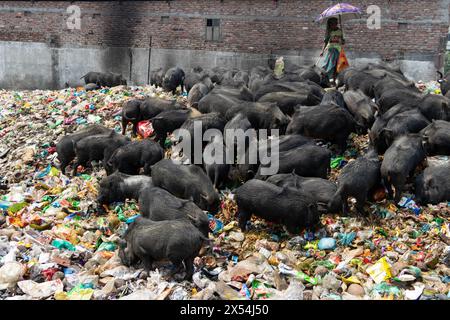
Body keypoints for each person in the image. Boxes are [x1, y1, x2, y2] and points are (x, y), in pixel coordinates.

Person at [320, 17, 345, 84]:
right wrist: (322, 51)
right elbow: (325, 42)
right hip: (331, 50)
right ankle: (330, 78)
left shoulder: (340, 31)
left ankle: (336, 78)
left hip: (339, 50)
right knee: (331, 63)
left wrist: (342, 40)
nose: (334, 25)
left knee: (338, 65)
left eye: (335, 23)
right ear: (330, 24)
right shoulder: (329, 32)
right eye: (332, 24)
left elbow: (343, 42)